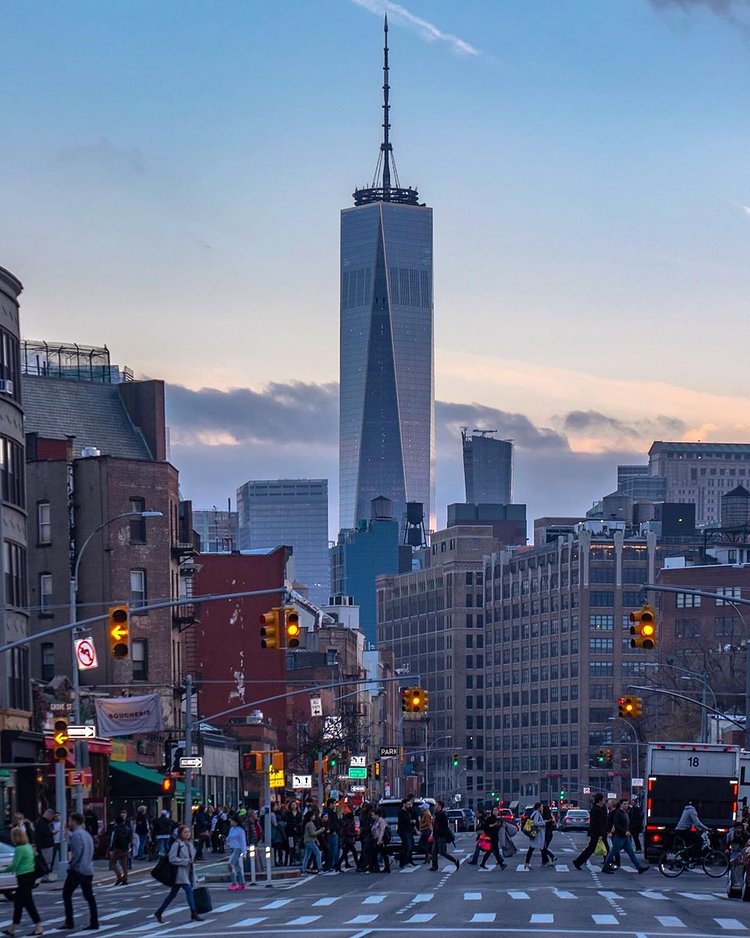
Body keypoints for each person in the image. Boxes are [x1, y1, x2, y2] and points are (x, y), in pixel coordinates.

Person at [154, 825, 202, 923]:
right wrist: (185, 861)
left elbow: (192, 858)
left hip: (188, 872)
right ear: (180, 834)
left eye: (188, 832)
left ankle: (159, 911)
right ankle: (194, 913)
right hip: (179, 873)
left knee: (172, 895)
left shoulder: (190, 844)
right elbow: (172, 859)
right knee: (189, 891)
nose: (187, 834)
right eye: (185, 832)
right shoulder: (177, 844)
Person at [1, 827, 43, 936]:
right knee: (19, 903)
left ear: (15, 837)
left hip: (23, 877)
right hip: (30, 876)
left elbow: (14, 866)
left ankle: (38, 926)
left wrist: (2, 870)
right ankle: (13, 928)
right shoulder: (28, 847)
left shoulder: (19, 849)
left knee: (28, 903)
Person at [61, 812, 99, 932]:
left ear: (74, 821)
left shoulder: (76, 835)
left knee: (66, 894)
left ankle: (69, 921)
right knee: (89, 896)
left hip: (78, 870)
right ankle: (94, 921)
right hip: (88, 869)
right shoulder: (86, 834)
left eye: (70, 820)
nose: (69, 822)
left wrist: (71, 864)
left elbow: (76, 852)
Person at [602, 799, 649, 874]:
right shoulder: (618, 813)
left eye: (627, 804)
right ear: (621, 804)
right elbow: (617, 825)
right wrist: (625, 831)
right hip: (619, 837)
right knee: (613, 853)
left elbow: (628, 824)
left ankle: (639, 867)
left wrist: (629, 830)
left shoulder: (626, 813)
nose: (626, 805)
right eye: (624, 804)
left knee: (631, 853)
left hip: (625, 837)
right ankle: (605, 867)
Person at [573, 793, 609, 870]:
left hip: (598, 833)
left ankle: (577, 862)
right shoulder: (596, 810)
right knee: (605, 850)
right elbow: (598, 824)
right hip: (598, 833)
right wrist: (600, 834)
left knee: (591, 849)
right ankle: (607, 866)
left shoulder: (599, 808)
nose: (604, 802)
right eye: (603, 800)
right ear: (599, 801)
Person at [430, 801, 460, 872]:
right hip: (436, 836)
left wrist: (441, 834)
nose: (435, 806)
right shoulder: (436, 814)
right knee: (434, 851)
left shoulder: (443, 815)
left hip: (441, 836)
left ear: (439, 806)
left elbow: (444, 827)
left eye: (436, 805)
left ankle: (455, 861)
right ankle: (434, 866)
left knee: (442, 852)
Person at [523, 803, 550, 869]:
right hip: (537, 834)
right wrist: (544, 822)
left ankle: (545, 862)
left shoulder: (535, 813)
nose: (542, 808)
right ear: (538, 807)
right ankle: (527, 862)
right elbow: (535, 823)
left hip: (537, 834)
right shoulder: (537, 813)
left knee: (541, 847)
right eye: (541, 806)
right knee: (533, 848)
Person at [109, 812, 132, 885]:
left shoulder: (115, 829)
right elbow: (130, 839)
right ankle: (125, 878)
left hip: (117, 848)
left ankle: (119, 876)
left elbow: (112, 839)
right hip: (125, 848)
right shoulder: (127, 829)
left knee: (113, 863)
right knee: (124, 864)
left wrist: (111, 849)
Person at [226, 816, 247, 891]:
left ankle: (234, 883)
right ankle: (241, 883)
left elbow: (243, 841)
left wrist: (244, 852)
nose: (230, 822)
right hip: (232, 848)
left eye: (232, 821)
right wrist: (227, 841)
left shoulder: (240, 830)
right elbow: (229, 838)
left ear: (236, 822)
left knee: (230, 864)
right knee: (237, 867)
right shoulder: (231, 829)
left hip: (237, 849)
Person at [300, 808, 324, 874]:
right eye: (313, 815)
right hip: (310, 841)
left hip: (308, 841)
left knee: (307, 856)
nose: (314, 816)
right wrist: (320, 830)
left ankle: (303, 869)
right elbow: (312, 833)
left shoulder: (308, 823)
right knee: (318, 854)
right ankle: (320, 868)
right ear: (310, 816)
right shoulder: (310, 824)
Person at [35, 809, 55, 882]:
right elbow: (43, 833)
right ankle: (45, 876)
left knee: (46, 861)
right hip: (45, 845)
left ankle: (45, 876)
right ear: (49, 815)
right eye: (51, 816)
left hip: (43, 844)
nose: (52, 818)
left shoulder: (41, 822)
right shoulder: (42, 823)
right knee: (47, 861)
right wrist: (51, 833)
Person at [322, 798, 340, 873]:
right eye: (334, 803)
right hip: (331, 833)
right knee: (332, 850)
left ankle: (332, 864)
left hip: (334, 832)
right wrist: (332, 830)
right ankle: (330, 865)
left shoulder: (332, 812)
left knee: (334, 849)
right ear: (331, 804)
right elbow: (328, 823)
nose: (335, 805)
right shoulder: (327, 812)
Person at [397, 797, 416, 868]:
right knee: (407, 846)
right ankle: (400, 859)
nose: (409, 805)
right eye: (407, 804)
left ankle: (405, 861)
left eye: (409, 804)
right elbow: (404, 820)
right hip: (404, 831)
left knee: (409, 846)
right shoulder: (401, 812)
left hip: (409, 830)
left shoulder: (408, 811)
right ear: (403, 804)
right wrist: (411, 821)